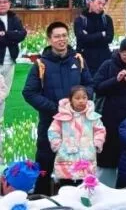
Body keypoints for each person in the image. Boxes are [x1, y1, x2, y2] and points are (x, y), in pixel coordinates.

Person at [24, 21, 93, 192]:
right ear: (49, 39)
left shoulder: (78, 60)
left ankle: (70, 198)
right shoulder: (41, 64)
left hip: (75, 124)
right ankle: (40, 197)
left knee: (72, 165)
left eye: (64, 36)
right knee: (44, 164)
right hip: (50, 122)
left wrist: (80, 101)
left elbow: (90, 85)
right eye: (57, 36)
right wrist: (55, 108)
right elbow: (29, 92)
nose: (61, 39)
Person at [92, 38, 126, 187]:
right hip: (110, 117)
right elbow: (97, 87)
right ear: (119, 52)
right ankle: (106, 186)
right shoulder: (108, 65)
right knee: (109, 153)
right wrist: (116, 80)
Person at [47, 85, 105, 184]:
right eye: (77, 98)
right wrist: (57, 145)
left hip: (87, 156)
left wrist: (96, 144)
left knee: (84, 187)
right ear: (70, 100)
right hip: (66, 156)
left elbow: (100, 131)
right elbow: (53, 131)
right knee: (66, 186)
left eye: (84, 98)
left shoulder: (92, 117)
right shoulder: (62, 117)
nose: (81, 101)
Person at [0, 0, 27, 125]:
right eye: (0, 2)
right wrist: (11, 36)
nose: (2, 5)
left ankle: (0, 119)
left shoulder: (14, 18)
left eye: (5, 2)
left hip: (10, 60)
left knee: (4, 93)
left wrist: (5, 34)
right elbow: (15, 36)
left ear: (10, 4)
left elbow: (22, 34)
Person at [74, 0, 114, 75]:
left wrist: (88, 36)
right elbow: (81, 38)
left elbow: (109, 38)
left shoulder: (107, 19)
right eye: (99, 3)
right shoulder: (80, 20)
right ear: (91, 2)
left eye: (103, 4)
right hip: (85, 61)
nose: (101, 6)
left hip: (104, 60)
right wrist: (101, 34)